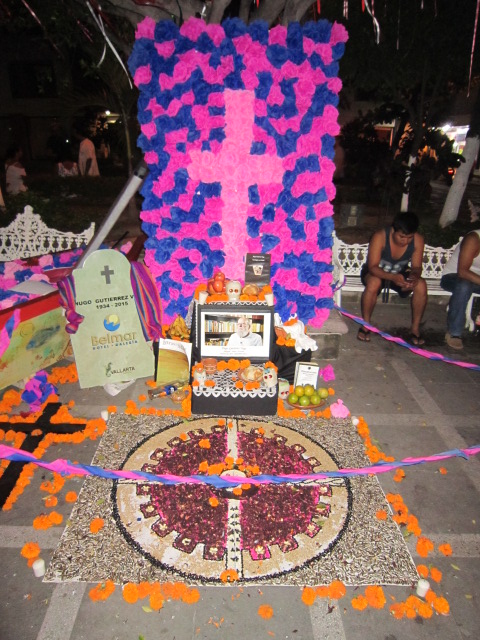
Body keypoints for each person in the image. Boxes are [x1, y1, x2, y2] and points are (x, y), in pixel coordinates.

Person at [358, 211, 428, 345]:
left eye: (409, 237)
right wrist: (392, 277)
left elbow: (417, 267)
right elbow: (372, 266)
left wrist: (413, 277)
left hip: (400, 273)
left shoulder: (418, 240)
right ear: (393, 230)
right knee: (374, 282)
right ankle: (365, 325)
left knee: (421, 285)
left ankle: (415, 329)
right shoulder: (380, 236)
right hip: (376, 272)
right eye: (402, 237)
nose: (405, 241)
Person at [440, 230, 480, 350]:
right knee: (464, 286)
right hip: (453, 277)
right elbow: (462, 272)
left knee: (466, 285)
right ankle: (454, 332)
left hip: (476, 281)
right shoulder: (474, 239)